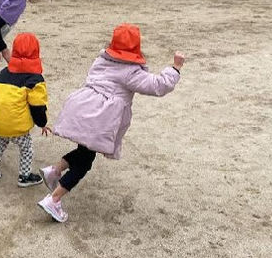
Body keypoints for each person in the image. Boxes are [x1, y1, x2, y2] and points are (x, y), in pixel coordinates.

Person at [37, 24, 185, 222]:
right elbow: (158, 85)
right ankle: (54, 199)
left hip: (83, 108)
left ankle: (54, 171)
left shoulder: (101, 60)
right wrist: (175, 68)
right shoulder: (131, 72)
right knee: (85, 162)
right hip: (99, 119)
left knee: (84, 151)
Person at [0, 33, 51, 187]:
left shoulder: (1, 75)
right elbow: (37, 106)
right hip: (17, 127)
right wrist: (42, 123)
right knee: (26, 149)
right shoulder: (35, 80)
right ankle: (24, 177)